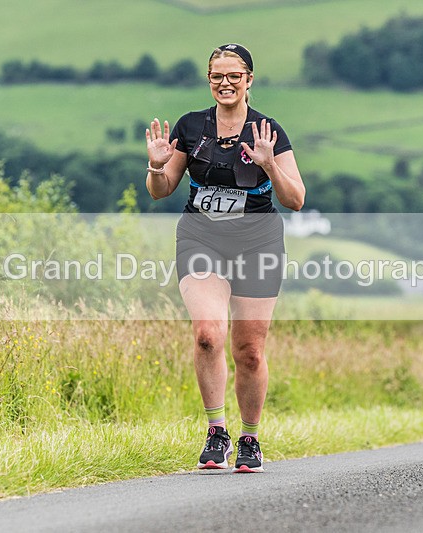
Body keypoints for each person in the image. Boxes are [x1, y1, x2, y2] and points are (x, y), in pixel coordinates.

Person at [144, 43, 305, 473]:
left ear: (250, 79)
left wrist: (270, 167)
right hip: (202, 239)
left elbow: (296, 200)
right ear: (209, 80)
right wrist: (158, 167)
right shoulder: (191, 126)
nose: (225, 83)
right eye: (217, 75)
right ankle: (217, 433)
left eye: (234, 75)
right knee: (207, 334)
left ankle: (250, 437)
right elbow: (161, 190)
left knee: (249, 350)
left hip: (258, 243)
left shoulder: (268, 131)